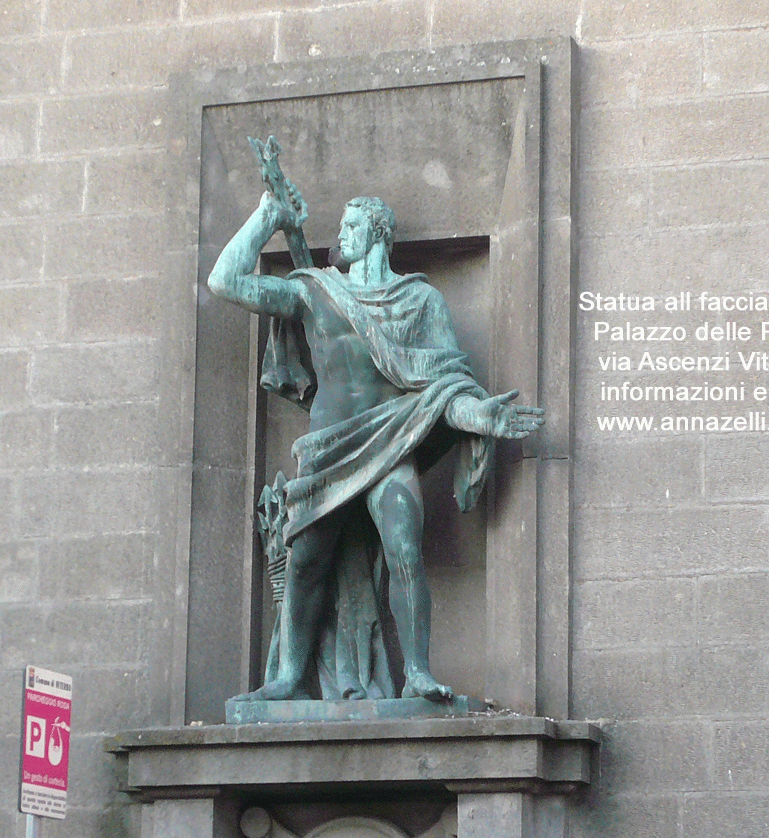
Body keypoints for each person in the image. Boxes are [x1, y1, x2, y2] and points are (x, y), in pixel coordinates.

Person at [208, 189, 544, 701]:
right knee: (306, 561)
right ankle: (287, 677)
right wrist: (266, 215)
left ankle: (417, 674)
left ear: (379, 233)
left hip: (391, 444)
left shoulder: (420, 301)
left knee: (405, 547)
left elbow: (443, 388)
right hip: (327, 450)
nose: (340, 234)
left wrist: (483, 415)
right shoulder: (314, 291)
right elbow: (224, 282)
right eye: (341, 225)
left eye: (350, 225)